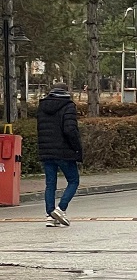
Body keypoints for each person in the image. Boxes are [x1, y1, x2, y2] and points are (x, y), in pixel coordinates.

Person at [37, 80, 82, 227]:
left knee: (50, 184)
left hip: (46, 151)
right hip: (64, 151)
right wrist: (77, 148)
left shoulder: (42, 106)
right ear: (66, 92)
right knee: (73, 180)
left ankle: (50, 215)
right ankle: (61, 209)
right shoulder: (68, 106)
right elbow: (70, 130)